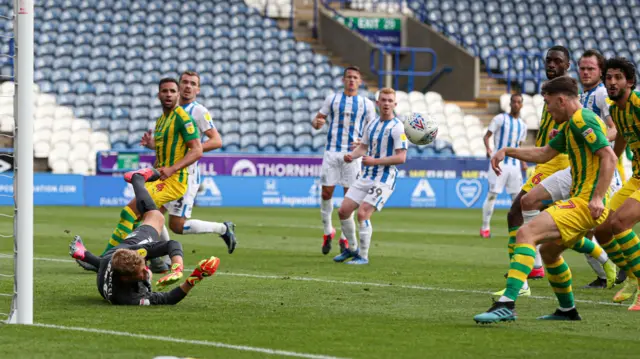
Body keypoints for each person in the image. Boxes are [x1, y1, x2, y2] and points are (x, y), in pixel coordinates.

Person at [475, 75, 616, 323]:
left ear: (561, 100)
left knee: (525, 234)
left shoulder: (583, 119)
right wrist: (507, 151)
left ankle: (506, 305)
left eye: (548, 103)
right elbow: (544, 154)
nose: (547, 109)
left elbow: (609, 157)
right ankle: (567, 310)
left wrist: (596, 198)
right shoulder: (571, 124)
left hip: (584, 203)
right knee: (550, 253)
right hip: (582, 200)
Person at [497, 50, 619, 294]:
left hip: (578, 174)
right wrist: (507, 151)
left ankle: (517, 288)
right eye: (548, 61)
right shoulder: (572, 110)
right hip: (567, 169)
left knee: (530, 225)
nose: (585, 73)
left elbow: (610, 148)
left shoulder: (589, 108)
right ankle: (570, 299)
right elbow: (543, 153)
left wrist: (592, 142)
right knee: (555, 240)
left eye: (590, 68)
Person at [76, 78, 204, 272]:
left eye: (172, 91)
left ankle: (104, 261)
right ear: (158, 94)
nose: (168, 94)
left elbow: (197, 150)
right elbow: (165, 153)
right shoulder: (161, 121)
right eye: (164, 91)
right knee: (147, 219)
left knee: (129, 213)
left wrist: (172, 168)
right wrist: (153, 155)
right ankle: (156, 261)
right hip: (160, 178)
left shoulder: (183, 118)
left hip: (174, 181)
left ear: (178, 95)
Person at [69, 168, 220, 305]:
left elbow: (172, 245)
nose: (146, 271)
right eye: (142, 271)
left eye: (144, 266)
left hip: (116, 253)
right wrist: (195, 277)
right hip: (109, 259)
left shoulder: (133, 254)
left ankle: (137, 179)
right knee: (156, 218)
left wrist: (177, 267)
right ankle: (84, 254)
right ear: (126, 278)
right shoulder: (129, 298)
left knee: (156, 217)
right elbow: (168, 299)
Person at [141, 71, 237, 272]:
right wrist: (153, 145)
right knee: (150, 211)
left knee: (176, 225)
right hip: (167, 173)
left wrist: (192, 149)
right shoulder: (171, 112)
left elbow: (216, 140)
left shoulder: (198, 111)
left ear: (198, 89)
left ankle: (223, 229)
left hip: (185, 175)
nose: (187, 86)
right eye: (184, 82)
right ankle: (162, 257)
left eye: (193, 83)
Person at [499, 46, 572, 287]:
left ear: (567, 65)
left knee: (518, 212)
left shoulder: (568, 95)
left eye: (557, 61)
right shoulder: (551, 92)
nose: (551, 64)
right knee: (529, 216)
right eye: (548, 60)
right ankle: (531, 268)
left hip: (556, 165)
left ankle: (526, 271)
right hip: (546, 164)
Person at [331, 87, 408, 265]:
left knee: (363, 213)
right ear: (377, 103)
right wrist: (352, 155)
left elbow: (401, 157)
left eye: (390, 101)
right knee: (343, 211)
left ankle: (363, 256)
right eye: (384, 100)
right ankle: (351, 249)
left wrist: (375, 161)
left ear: (395, 104)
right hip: (366, 175)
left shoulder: (397, 128)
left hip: (385, 177)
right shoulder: (371, 124)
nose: (387, 103)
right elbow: (363, 148)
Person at [312, 66, 376, 255]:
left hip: (353, 155)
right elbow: (318, 120)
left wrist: (363, 141)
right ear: (343, 80)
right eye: (348, 77)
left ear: (360, 81)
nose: (351, 80)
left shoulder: (366, 104)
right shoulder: (332, 99)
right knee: (326, 193)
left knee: (351, 198)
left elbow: (372, 130)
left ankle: (344, 238)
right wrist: (317, 123)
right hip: (332, 152)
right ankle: (327, 231)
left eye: (355, 77)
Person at [592, 57, 640, 310]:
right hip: (636, 177)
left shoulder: (638, 103)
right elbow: (620, 140)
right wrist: (612, 163)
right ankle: (632, 276)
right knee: (602, 228)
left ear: (630, 82)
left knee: (621, 223)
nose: (611, 82)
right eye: (608, 77)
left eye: (618, 77)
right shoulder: (615, 110)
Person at [480, 94, 527, 238]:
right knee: (492, 195)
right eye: (514, 102)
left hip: (514, 167)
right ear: (510, 103)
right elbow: (487, 136)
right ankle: (485, 228)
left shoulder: (523, 125)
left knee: (516, 199)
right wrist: (488, 149)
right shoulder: (500, 119)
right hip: (499, 164)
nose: (516, 104)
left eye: (519, 102)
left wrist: (523, 162)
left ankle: (517, 230)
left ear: (522, 105)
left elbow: (519, 145)